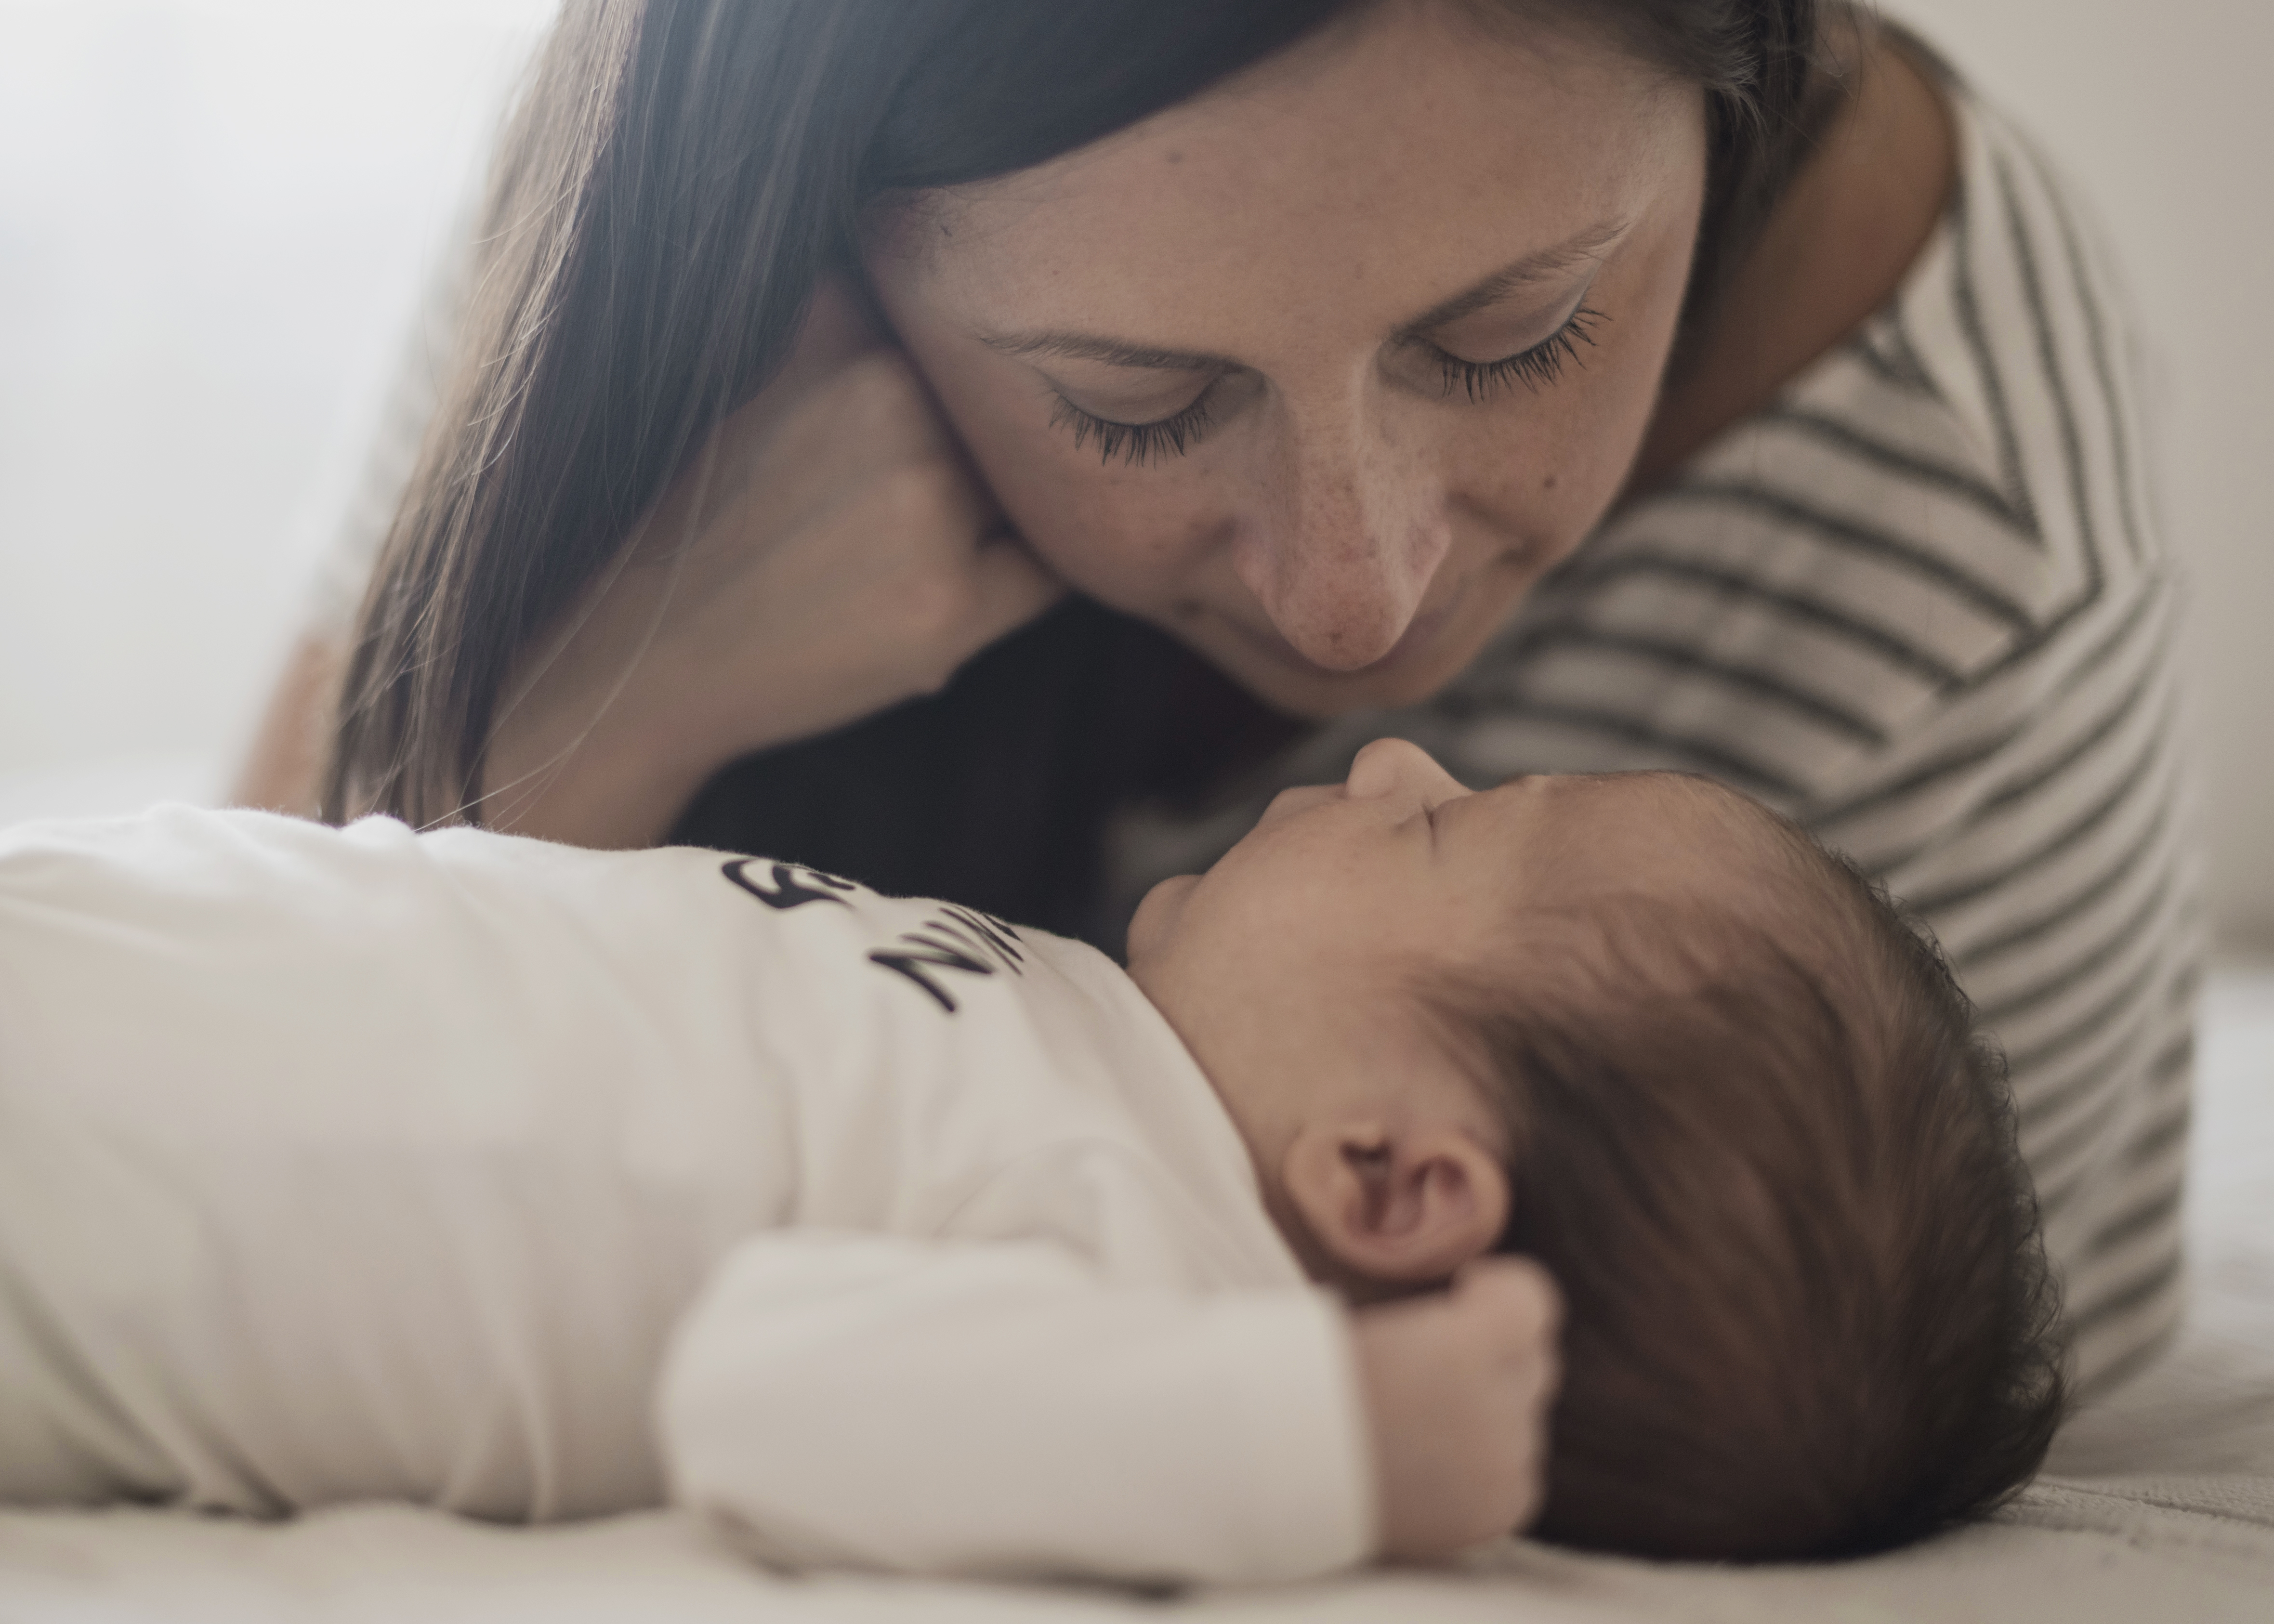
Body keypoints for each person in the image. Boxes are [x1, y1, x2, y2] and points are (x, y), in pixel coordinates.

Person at [234, 0, 2194, 1396]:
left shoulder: (1966, 541)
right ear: (822, 249)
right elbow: (260, 1065)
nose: (1358, 603)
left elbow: (1910, 1415)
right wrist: (620, 694)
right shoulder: (667, 218)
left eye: (1516, 335)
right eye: (1133, 403)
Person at [1, 739, 2061, 1576]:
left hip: (102, 1179)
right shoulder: (1094, 1063)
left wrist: (1319, 1440)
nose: (1396, 757)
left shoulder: (1141, 1278)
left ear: (1389, 1181)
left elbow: (772, 1393)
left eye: (1446, 828)